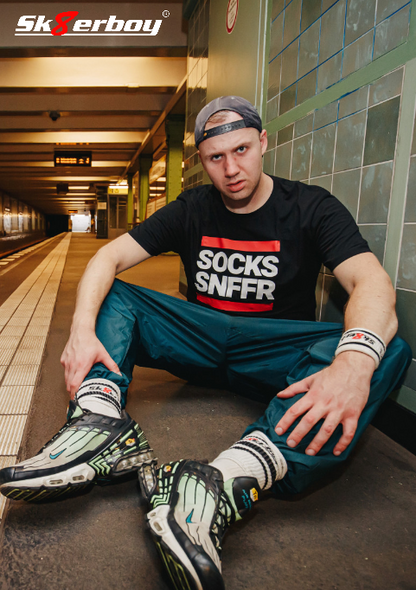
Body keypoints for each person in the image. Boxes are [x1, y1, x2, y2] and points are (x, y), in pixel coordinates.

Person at [0, 96, 411, 590]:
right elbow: (107, 258)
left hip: (272, 353)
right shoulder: (192, 207)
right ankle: (99, 423)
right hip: (199, 338)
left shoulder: (310, 206)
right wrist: (82, 330)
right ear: (202, 159)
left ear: (262, 142)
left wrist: (353, 363)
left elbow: (371, 282)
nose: (231, 169)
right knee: (115, 294)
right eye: (216, 157)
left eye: (241, 150)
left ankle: (221, 482)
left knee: (384, 348)